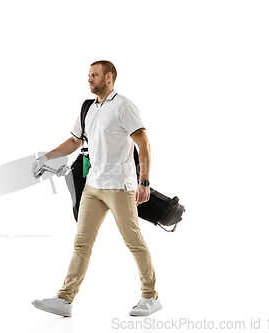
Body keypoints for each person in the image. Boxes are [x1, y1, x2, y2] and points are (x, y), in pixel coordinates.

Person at [31, 60, 161, 317]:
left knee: (133, 241)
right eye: (88, 75)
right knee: (82, 243)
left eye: (94, 75)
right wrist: (47, 157)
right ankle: (65, 299)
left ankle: (151, 296)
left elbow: (144, 143)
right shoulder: (88, 108)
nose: (89, 79)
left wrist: (144, 182)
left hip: (120, 187)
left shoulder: (124, 106)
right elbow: (74, 140)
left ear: (108, 77)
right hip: (93, 186)